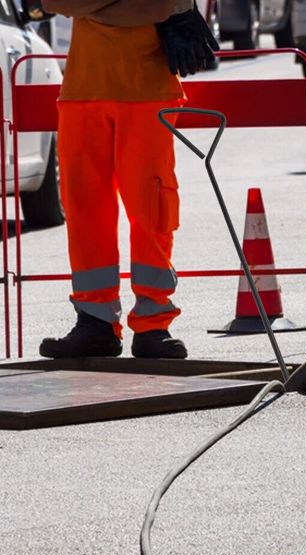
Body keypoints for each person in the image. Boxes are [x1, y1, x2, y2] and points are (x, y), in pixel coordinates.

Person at [38, 0, 218, 359]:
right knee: (85, 209)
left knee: (150, 208)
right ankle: (95, 320)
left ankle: (153, 322)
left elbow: (161, 5)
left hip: (146, 91)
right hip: (84, 92)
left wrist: (93, 7)